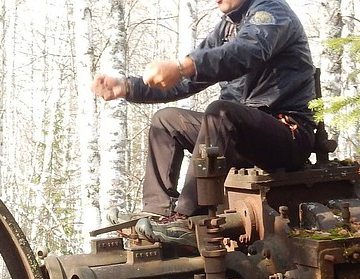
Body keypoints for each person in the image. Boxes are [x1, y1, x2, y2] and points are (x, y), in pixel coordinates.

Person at [92, 0, 317, 229]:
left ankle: (190, 218)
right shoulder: (227, 28)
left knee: (220, 112)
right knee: (166, 120)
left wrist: (183, 66)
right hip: (240, 135)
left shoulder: (271, 13)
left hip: (287, 134)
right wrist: (128, 87)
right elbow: (188, 79)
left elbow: (247, 51)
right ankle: (157, 212)